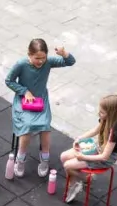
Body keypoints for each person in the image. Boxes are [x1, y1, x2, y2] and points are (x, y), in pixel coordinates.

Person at [5, 38, 76, 178]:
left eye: (43, 58)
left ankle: (44, 159)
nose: (40, 61)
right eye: (37, 58)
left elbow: (70, 62)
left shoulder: (48, 62)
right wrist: (24, 91)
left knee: (45, 127)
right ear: (29, 54)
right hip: (23, 101)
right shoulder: (21, 64)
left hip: (40, 101)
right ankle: (20, 159)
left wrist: (64, 53)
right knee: (27, 126)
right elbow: (9, 81)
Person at [60, 94, 117, 204]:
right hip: (99, 150)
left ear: (111, 114)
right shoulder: (106, 120)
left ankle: (83, 181)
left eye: (102, 112)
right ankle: (79, 181)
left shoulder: (116, 133)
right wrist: (80, 138)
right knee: (63, 157)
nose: (99, 114)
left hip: (104, 159)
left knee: (68, 165)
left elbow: (104, 157)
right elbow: (95, 130)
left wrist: (82, 157)